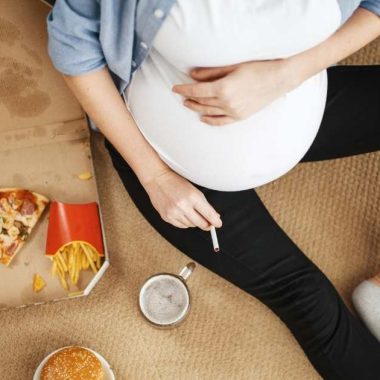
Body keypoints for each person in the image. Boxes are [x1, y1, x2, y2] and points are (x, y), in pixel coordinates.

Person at [46, 1, 380, 378]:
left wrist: (288, 74)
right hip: (170, 160)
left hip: (302, 99)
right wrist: (154, 176)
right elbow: (72, 45)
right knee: (301, 293)